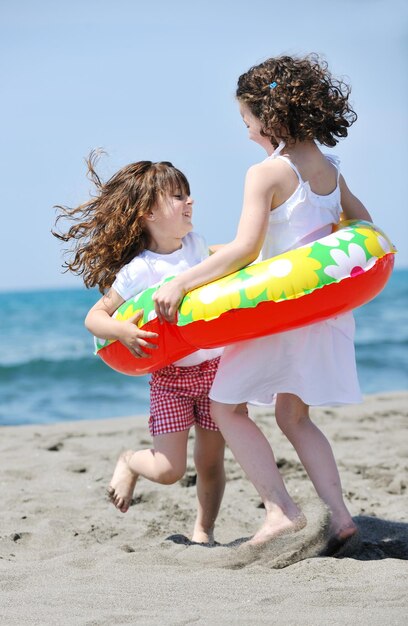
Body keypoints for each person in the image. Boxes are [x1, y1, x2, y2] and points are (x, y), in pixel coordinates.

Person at [152, 54, 372, 550]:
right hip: (322, 314)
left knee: (224, 406)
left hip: (277, 315)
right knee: (295, 417)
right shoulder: (329, 168)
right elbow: (363, 226)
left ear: (268, 118)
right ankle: (339, 516)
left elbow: (245, 249)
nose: (248, 133)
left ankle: (280, 511)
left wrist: (183, 281)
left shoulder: (267, 173)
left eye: (247, 122)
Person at [53, 153, 225, 545]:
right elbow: (94, 317)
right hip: (169, 377)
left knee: (211, 461)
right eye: (179, 196)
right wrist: (121, 332)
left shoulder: (197, 246)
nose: (190, 202)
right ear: (147, 211)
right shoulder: (139, 270)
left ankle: (204, 532)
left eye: (189, 194)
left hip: (214, 367)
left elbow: (235, 256)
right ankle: (130, 461)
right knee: (169, 470)